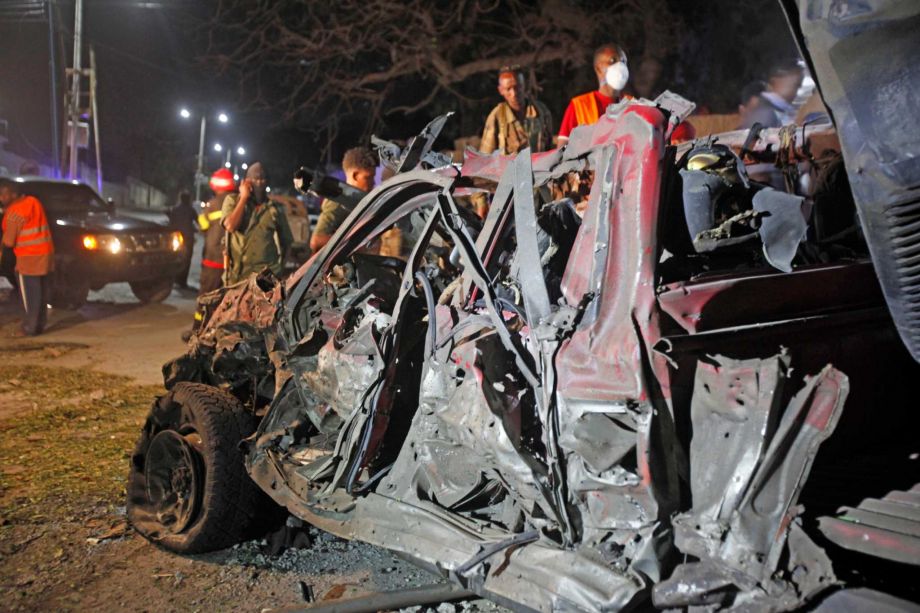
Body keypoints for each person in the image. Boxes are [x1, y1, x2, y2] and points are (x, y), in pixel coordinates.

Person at [222, 162, 293, 284]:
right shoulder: (233, 201)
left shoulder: (274, 208)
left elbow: (287, 242)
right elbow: (230, 226)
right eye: (256, 179)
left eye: (263, 179)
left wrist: (280, 269)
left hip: (266, 278)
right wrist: (244, 198)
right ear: (246, 181)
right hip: (238, 276)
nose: (260, 182)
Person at [0, 179, 54, 336]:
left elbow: (9, 241)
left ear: (13, 194)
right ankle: (39, 325)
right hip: (45, 253)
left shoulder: (14, 213)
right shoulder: (33, 201)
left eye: (3, 195)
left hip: (28, 257)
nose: (1, 198)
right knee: (41, 292)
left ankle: (29, 328)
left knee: (30, 295)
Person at [557, 43, 633, 145]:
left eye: (623, 62)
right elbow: (562, 148)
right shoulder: (580, 106)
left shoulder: (632, 104)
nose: (620, 66)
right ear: (598, 69)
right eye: (612, 61)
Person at [310, 147, 377, 253]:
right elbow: (317, 240)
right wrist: (358, 247)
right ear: (355, 176)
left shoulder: (358, 200)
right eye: (368, 178)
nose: (373, 182)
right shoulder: (338, 200)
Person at [480, 69, 554, 156]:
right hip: (509, 168)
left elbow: (549, 147)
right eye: (508, 89)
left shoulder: (541, 111)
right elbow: (485, 155)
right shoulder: (497, 116)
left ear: (524, 86)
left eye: (517, 87)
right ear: (501, 90)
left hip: (538, 167)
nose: (514, 93)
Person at [197, 169, 235, 294]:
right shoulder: (237, 203)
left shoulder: (212, 204)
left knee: (207, 293)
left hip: (212, 258)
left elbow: (202, 227)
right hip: (232, 260)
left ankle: (202, 314)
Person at [740, 59, 805, 129]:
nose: (799, 86)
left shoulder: (776, 111)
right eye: (790, 71)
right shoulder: (765, 114)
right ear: (774, 80)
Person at [168, 190, 197, 289]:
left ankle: (174, 279)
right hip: (188, 238)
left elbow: (171, 222)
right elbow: (200, 221)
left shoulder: (175, 209)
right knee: (187, 259)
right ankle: (182, 282)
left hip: (176, 238)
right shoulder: (191, 210)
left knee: (176, 258)